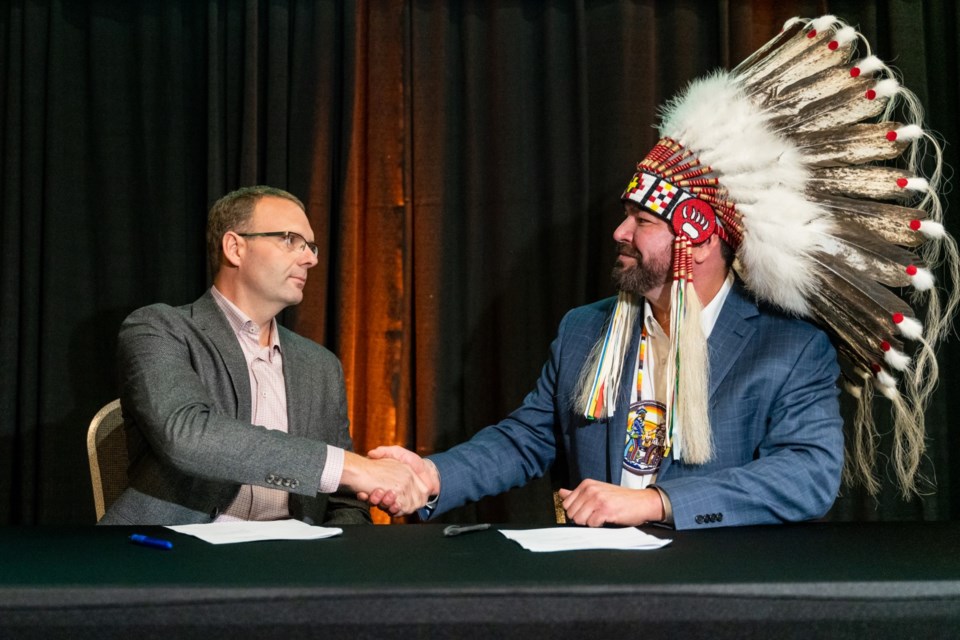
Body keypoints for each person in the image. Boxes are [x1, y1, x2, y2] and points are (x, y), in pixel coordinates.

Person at [364, 16, 957, 528]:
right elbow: (526, 439)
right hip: (598, 589)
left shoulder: (789, 348)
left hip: (723, 596)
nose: (621, 233)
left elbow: (806, 475)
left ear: (697, 244)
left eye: (642, 219)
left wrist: (654, 502)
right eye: (627, 215)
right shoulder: (583, 331)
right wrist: (432, 474)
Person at [100, 186, 427, 525]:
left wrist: (334, 564)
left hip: (293, 566)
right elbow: (187, 435)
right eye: (290, 240)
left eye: (311, 246)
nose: (311, 259)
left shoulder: (320, 365)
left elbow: (344, 503)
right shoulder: (159, 329)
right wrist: (352, 467)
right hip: (176, 558)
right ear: (235, 247)